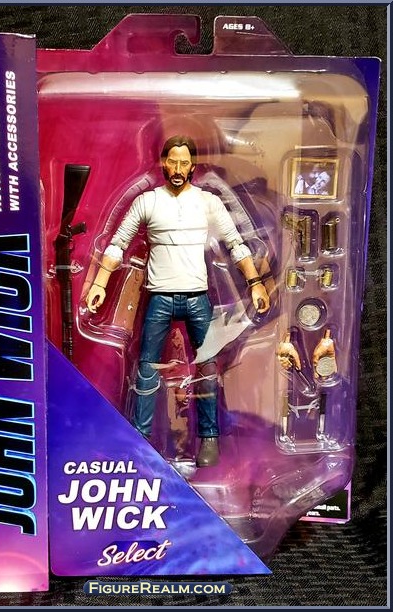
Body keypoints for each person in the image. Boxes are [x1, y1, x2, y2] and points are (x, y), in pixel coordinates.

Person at [86, 135, 270, 467]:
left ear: (192, 166)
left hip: (197, 297)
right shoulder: (147, 201)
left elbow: (235, 243)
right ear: (163, 163)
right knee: (146, 368)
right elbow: (118, 244)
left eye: (184, 163)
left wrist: (255, 283)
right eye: (173, 162)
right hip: (159, 297)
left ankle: (209, 437)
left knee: (208, 367)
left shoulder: (208, 202)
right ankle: (141, 438)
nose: (178, 169)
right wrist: (100, 282)